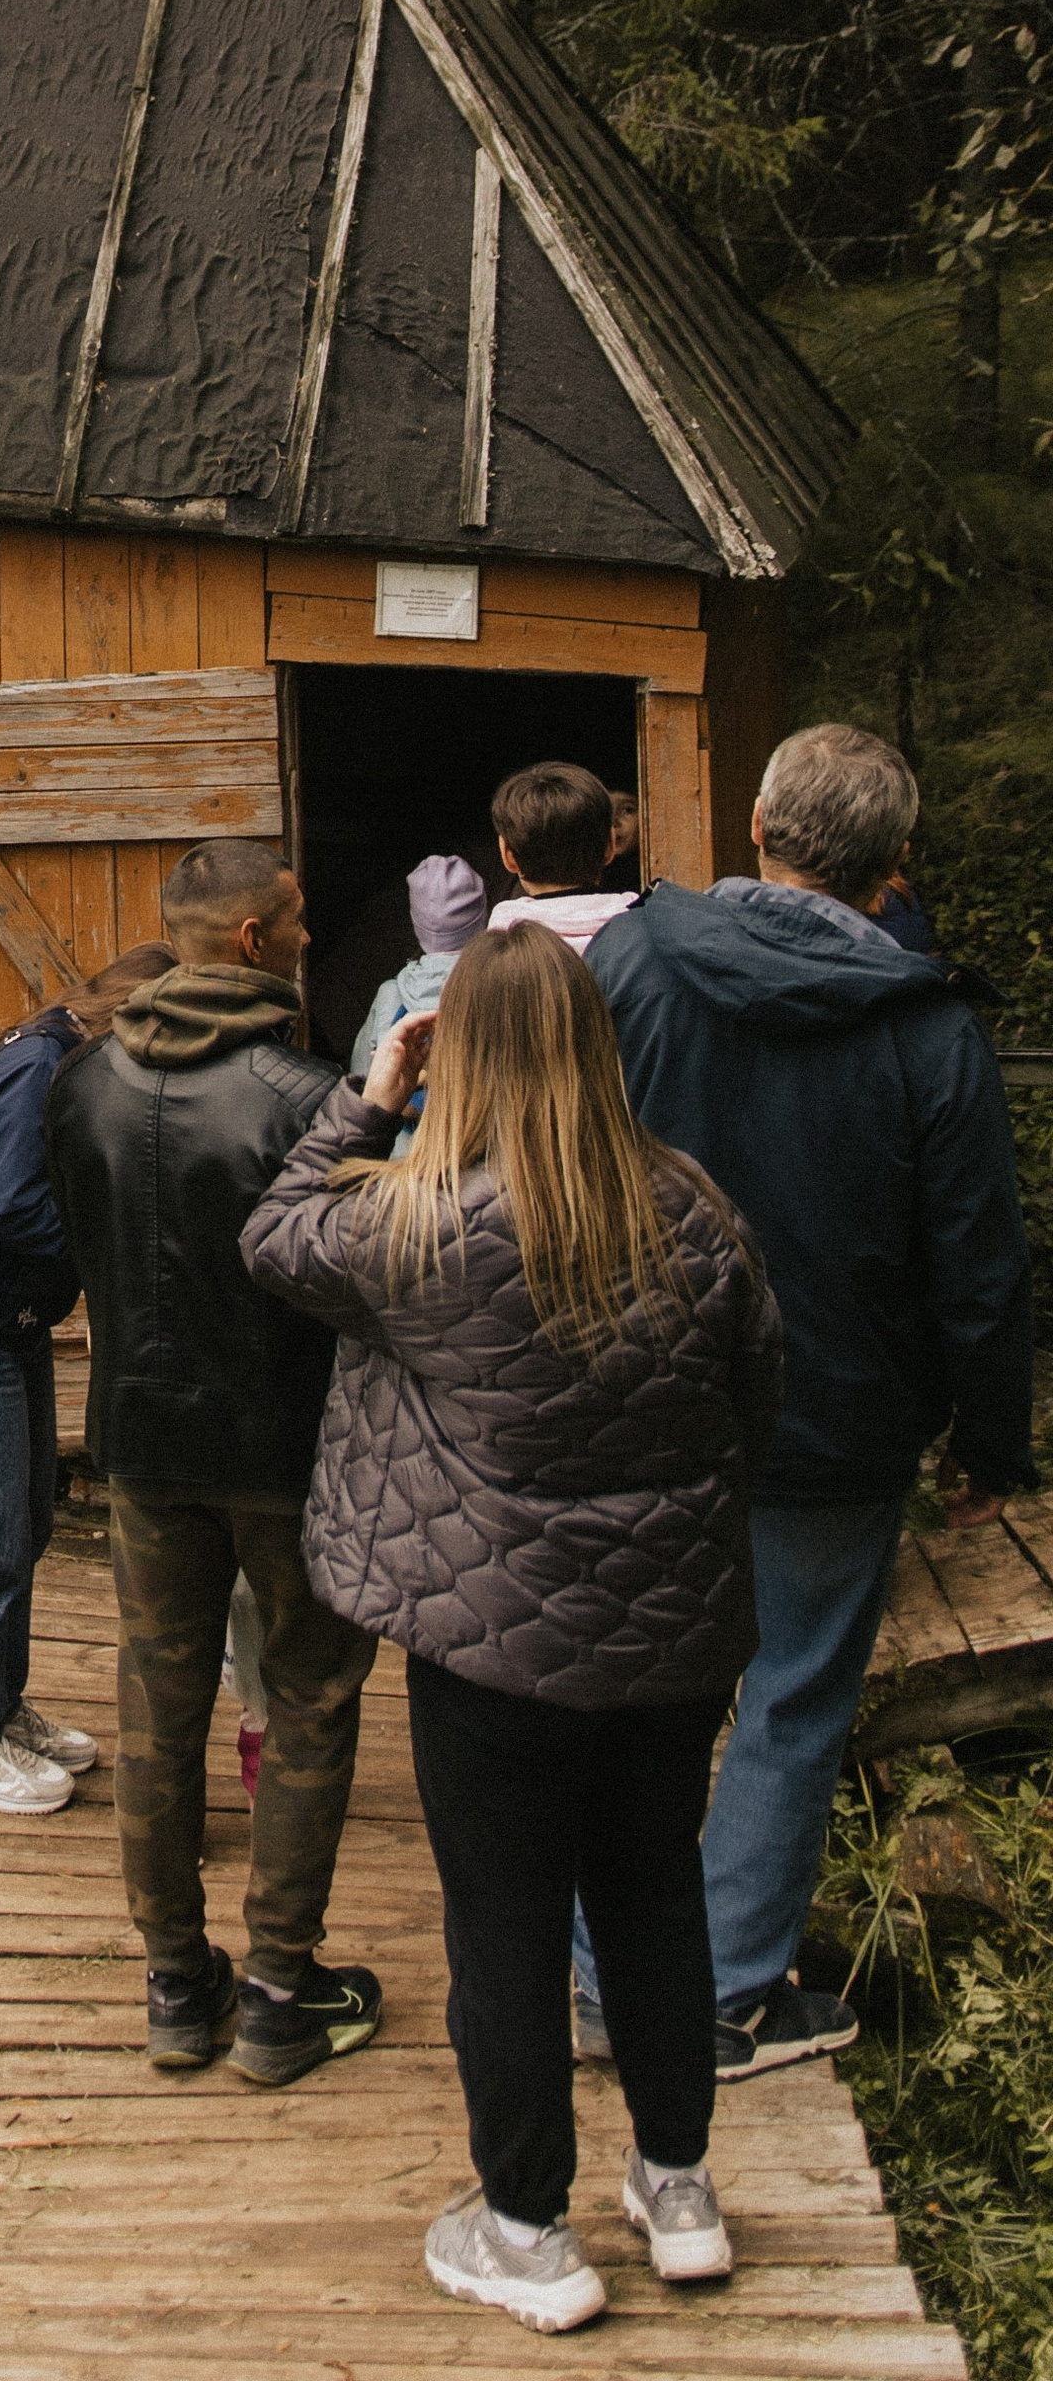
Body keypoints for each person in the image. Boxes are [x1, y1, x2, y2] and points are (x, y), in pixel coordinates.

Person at [244, 925, 783, 2337]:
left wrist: (370, 1096)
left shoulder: (420, 1225)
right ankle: (680, 2191)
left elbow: (273, 1237)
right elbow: (756, 1394)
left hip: (491, 1650)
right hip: (670, 1636)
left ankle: (529, 2229)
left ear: (458, 1052)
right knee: (656, 1899)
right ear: (599, 1046)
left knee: (506, 1927)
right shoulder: (694, 1211)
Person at [582, 721, 1036, 2075]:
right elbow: (977, 1260)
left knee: (627, 1683)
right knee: (788, 1700)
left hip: (635, 1394)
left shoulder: (629, 964)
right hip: (833, 1420)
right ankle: (721, 1993)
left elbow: (545, 1158)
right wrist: (989, 1443)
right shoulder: (927, 1025)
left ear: (758, 827)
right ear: (894, 863)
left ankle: (599, 1976)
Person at [45, 838, 383, 2088]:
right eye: (294, 919)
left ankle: (178, 1986)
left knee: (156, 1701)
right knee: (307, 1697)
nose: (306, 936)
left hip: (140, 1440)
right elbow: (357, 1281)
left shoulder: (80, 1083)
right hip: (287, 1451)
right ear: (255, 942)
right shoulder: (311, 1097)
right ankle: (283, 1989)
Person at [0, 942, 175, 1817]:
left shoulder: (52, 1053)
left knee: (21, 1522)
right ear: (130, 1014)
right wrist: (120, 1237)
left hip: (2, 1325)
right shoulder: (38, 1067)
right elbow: (11, 1205)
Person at [349, 853, 488, 1082]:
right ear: (483, 916)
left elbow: (361, 1081)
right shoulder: (502, 984)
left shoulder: (391, 996)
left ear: (416, 923)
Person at [486, 762, 638, 949]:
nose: (616, 822)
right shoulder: (646, 928)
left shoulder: (496, 947)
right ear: (609, 846)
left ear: (508, 856)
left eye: (627, 810)